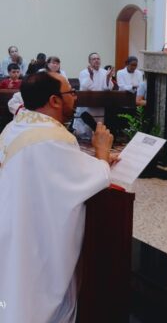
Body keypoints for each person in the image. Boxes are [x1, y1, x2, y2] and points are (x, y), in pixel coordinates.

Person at [0, 71, 116, 323]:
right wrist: (103, 152)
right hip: (35, 244)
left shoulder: (16, 126)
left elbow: (51, 169)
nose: (75, 97)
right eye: (70, 93)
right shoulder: (54, 138)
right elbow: (93, 178)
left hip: (13, 230)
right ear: (54, 100)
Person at [73, 52, 114, 140]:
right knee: (85, 131)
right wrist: (91, 75)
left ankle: (98, 138)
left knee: (98, 124)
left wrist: (108, 78)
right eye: (94, 59)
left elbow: (107, 88)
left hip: (100, 103)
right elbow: (85, 87)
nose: (96, 60)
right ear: (89, 61)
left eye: (98, 59)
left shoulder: (104, 72)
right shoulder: (84, 72)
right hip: (87, 102)